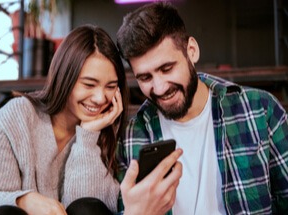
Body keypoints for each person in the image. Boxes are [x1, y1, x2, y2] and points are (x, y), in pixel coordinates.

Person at [116, 2, 288, 215]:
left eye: (167, 68)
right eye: (145, 77)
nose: (159, 88)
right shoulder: (131, 136)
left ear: (192, 51)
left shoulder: (260, 110)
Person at [0, 24, 129, 215]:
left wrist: (87, 138)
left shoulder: (108, 128)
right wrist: (23, 200)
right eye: (89, 84)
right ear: (65, 77)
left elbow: (91, 208)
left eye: (110, 86)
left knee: (87, 207)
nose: (100, 98)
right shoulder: (18, 117)